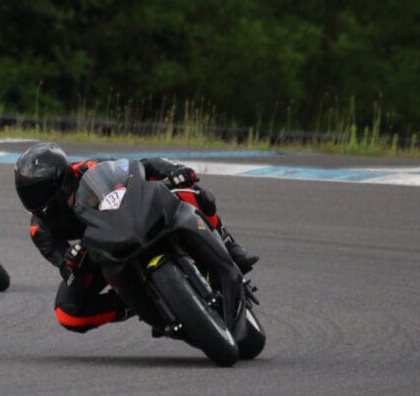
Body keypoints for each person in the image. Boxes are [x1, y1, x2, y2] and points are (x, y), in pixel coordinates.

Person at [13, 142, 258, 335]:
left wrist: (173, 171)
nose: (38, 200)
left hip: (132, 215)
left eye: (40, 190)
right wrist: (72, 261)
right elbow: (67, 271)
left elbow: (138, 167)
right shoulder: (40, 230)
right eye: (29, 193)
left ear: (62, 179)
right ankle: (133, 303)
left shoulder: (87, 168)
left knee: (190, 192)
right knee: (67, 312)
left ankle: (230, 245)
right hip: (99, 249)